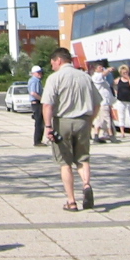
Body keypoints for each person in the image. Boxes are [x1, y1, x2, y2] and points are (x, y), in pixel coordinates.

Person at [41, 47, 101, 212]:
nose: (52, 66)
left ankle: (71, 201)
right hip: (83, 121)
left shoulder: (55, 78)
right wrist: (90, 121)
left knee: (65, 163)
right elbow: (97, 103)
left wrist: (47, 127)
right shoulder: (85, 77)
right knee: (83, 158)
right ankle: (86, 184)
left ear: (58, 60)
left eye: (52, 63)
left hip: (63, 122)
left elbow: (47, 104)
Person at [113, 65, 130, 140]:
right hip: (121, 100)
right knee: (121, 116)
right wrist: (115, 92)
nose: (125, 74)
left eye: (126, 72)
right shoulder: (118, 80)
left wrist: (129, 79)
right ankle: (122, 133)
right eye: (123, 73)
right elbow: (113, 85)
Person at [89, 61, 115, 142]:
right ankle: (111, 136)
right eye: (100, 67)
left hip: (105, 102)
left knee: (100, 120)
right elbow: (103, 74)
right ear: (95, 69)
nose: (102, 69)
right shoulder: (96, 76)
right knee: (107, 119)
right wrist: (108, 70)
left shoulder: (102, 78)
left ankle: (96, 135)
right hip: (103, 102)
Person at [28, 65, 45, 146]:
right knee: (39, 122)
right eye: (38, 72)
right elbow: (33, 93)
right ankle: (37, 141)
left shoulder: (35, 80)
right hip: (37, 103)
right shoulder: (35, 81)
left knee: (40, 122)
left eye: (40, 72)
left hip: (36, 103)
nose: (40, 74)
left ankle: (38, 140)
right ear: (33, 73)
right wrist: (42, 99)